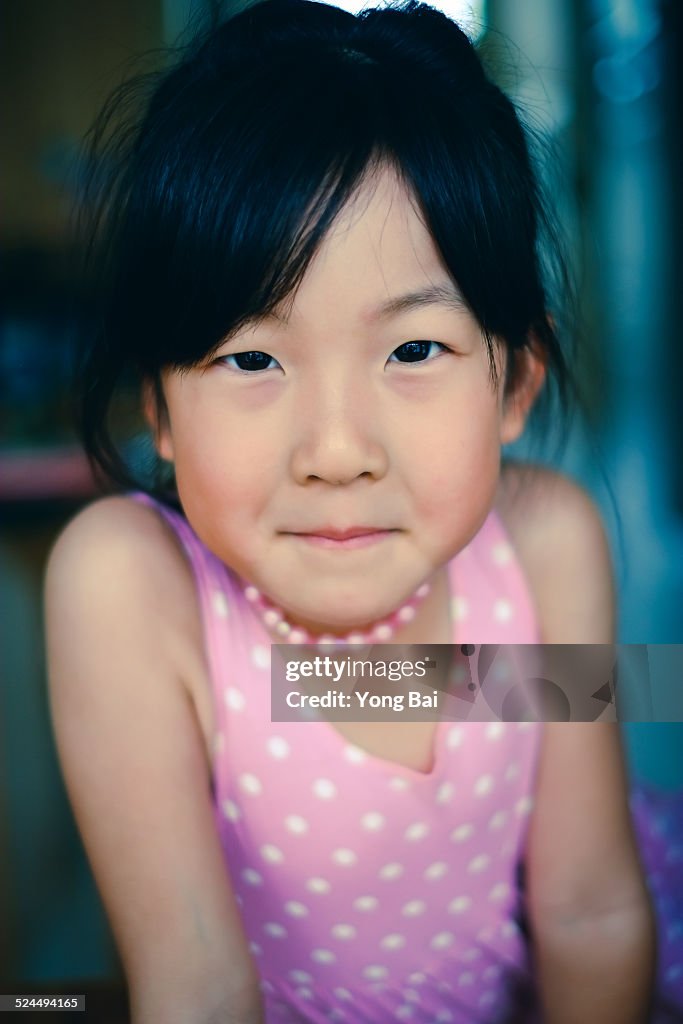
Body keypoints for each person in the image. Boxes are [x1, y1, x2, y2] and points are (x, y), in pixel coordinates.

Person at [44, 1, 683, 1021]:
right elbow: (197, 983)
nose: (335, 452)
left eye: (412, 351)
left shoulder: (548, 543)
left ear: (513, 378)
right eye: (250, 358)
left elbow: (589, 912)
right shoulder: (129, 587)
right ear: (159, 402)